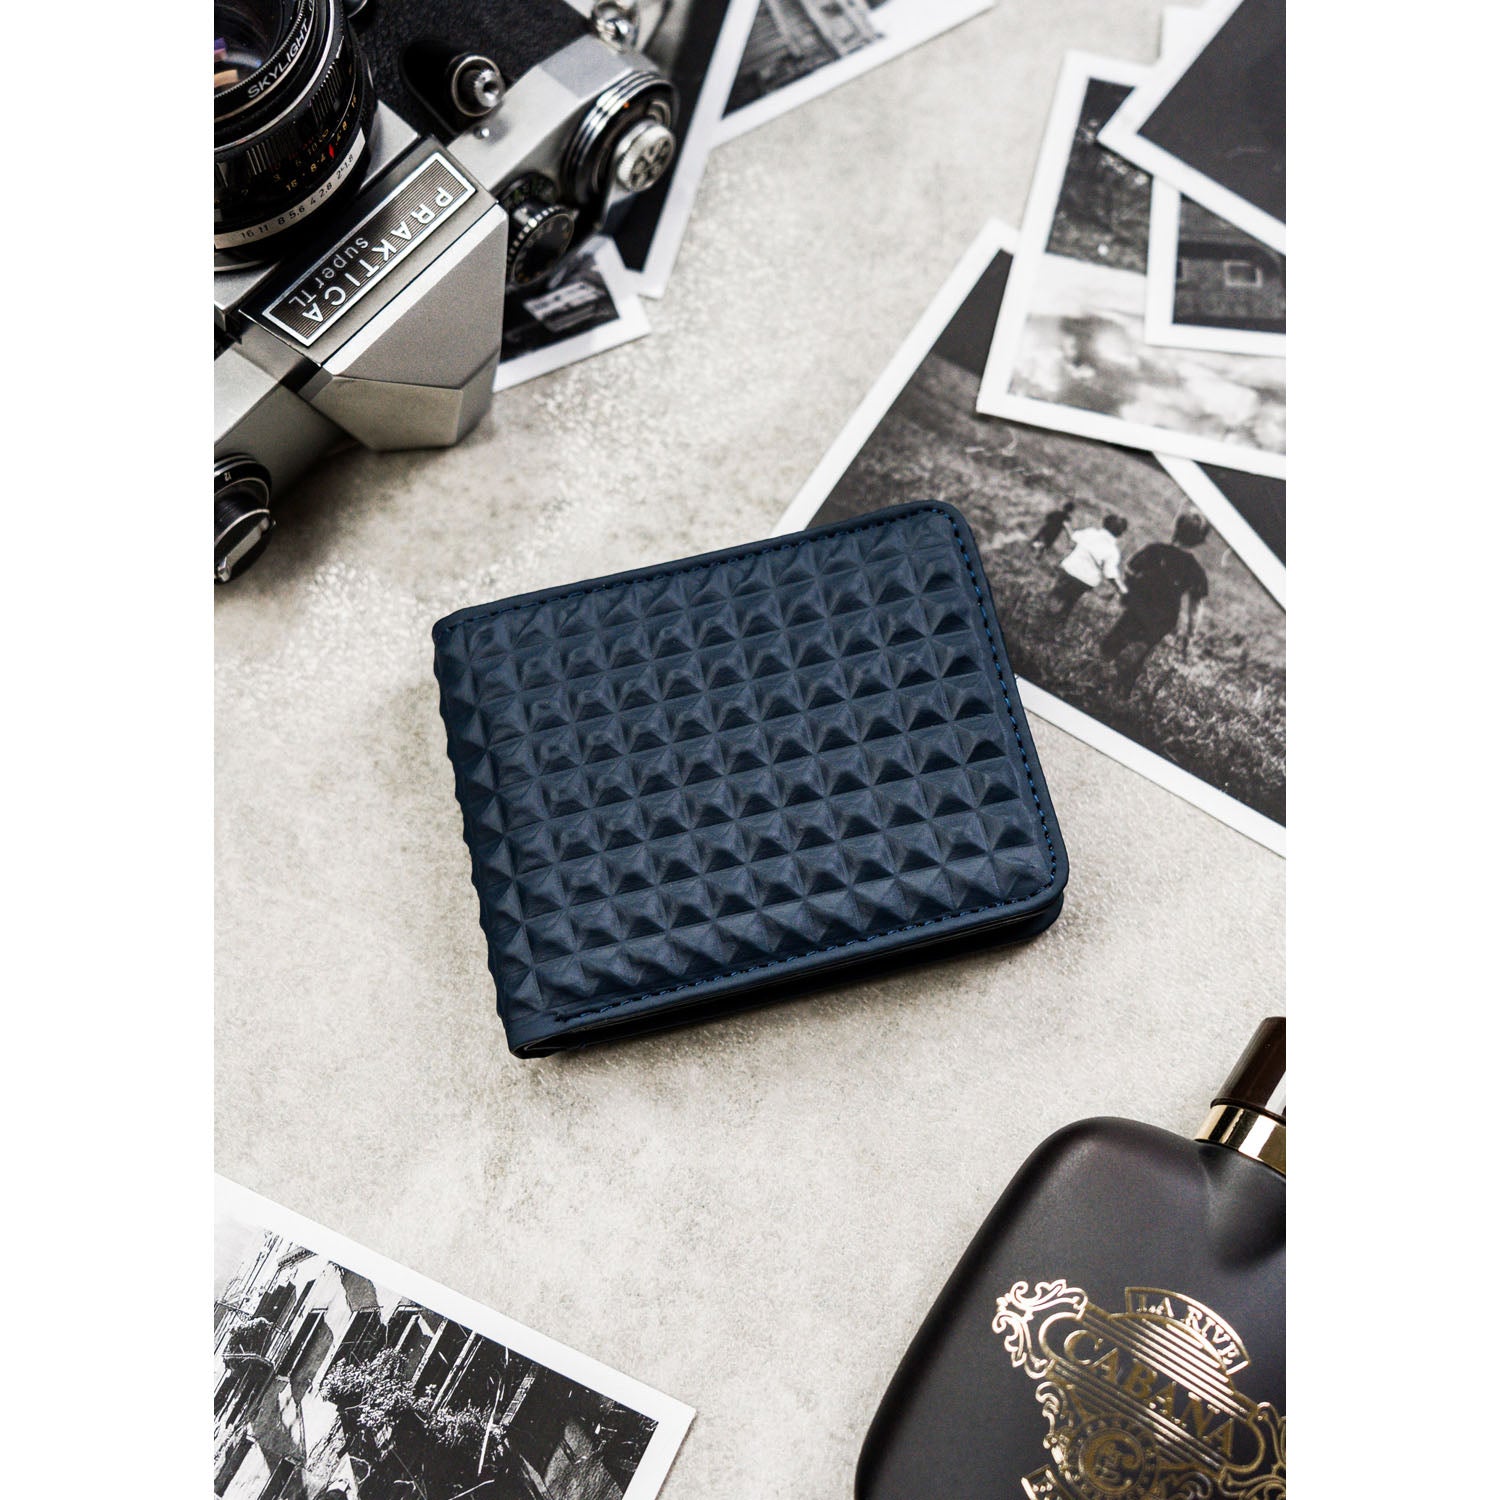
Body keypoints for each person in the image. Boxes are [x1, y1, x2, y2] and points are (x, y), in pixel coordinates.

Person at [1100, 512, 1211, 694]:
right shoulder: (1195, 569)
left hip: (1138, 606)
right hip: (1164, 618)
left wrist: (1128, 589)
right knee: (1142, 648)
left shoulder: (1155, 550)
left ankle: (1102, 674)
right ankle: (1122, 687)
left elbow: (1129, 569)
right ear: (1199, 540)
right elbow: (1196, 607)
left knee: (1111, 644)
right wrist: (1190, 634)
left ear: (1177, 529)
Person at [1047, 513, 1128, 622]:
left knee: (1056, 595)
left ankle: (1046, 616)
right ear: (1121, 534)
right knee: (1071, 601)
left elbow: (1073, 538)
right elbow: (1110, 573)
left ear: (1104, 523)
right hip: (1086, 581)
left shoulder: (1090, 533)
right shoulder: (1113, 551)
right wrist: (1121, 589)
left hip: (1069, 570)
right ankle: (1059, 620)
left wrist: (1067, 526)